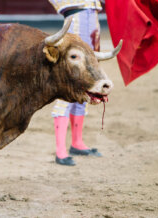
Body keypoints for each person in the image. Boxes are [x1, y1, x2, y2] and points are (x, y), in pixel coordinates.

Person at [48, 0, 104, 166]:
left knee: (85, 84)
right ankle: (60, 151)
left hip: (92, 18)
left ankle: (77, 142)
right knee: (70, 83)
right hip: (76, 19)